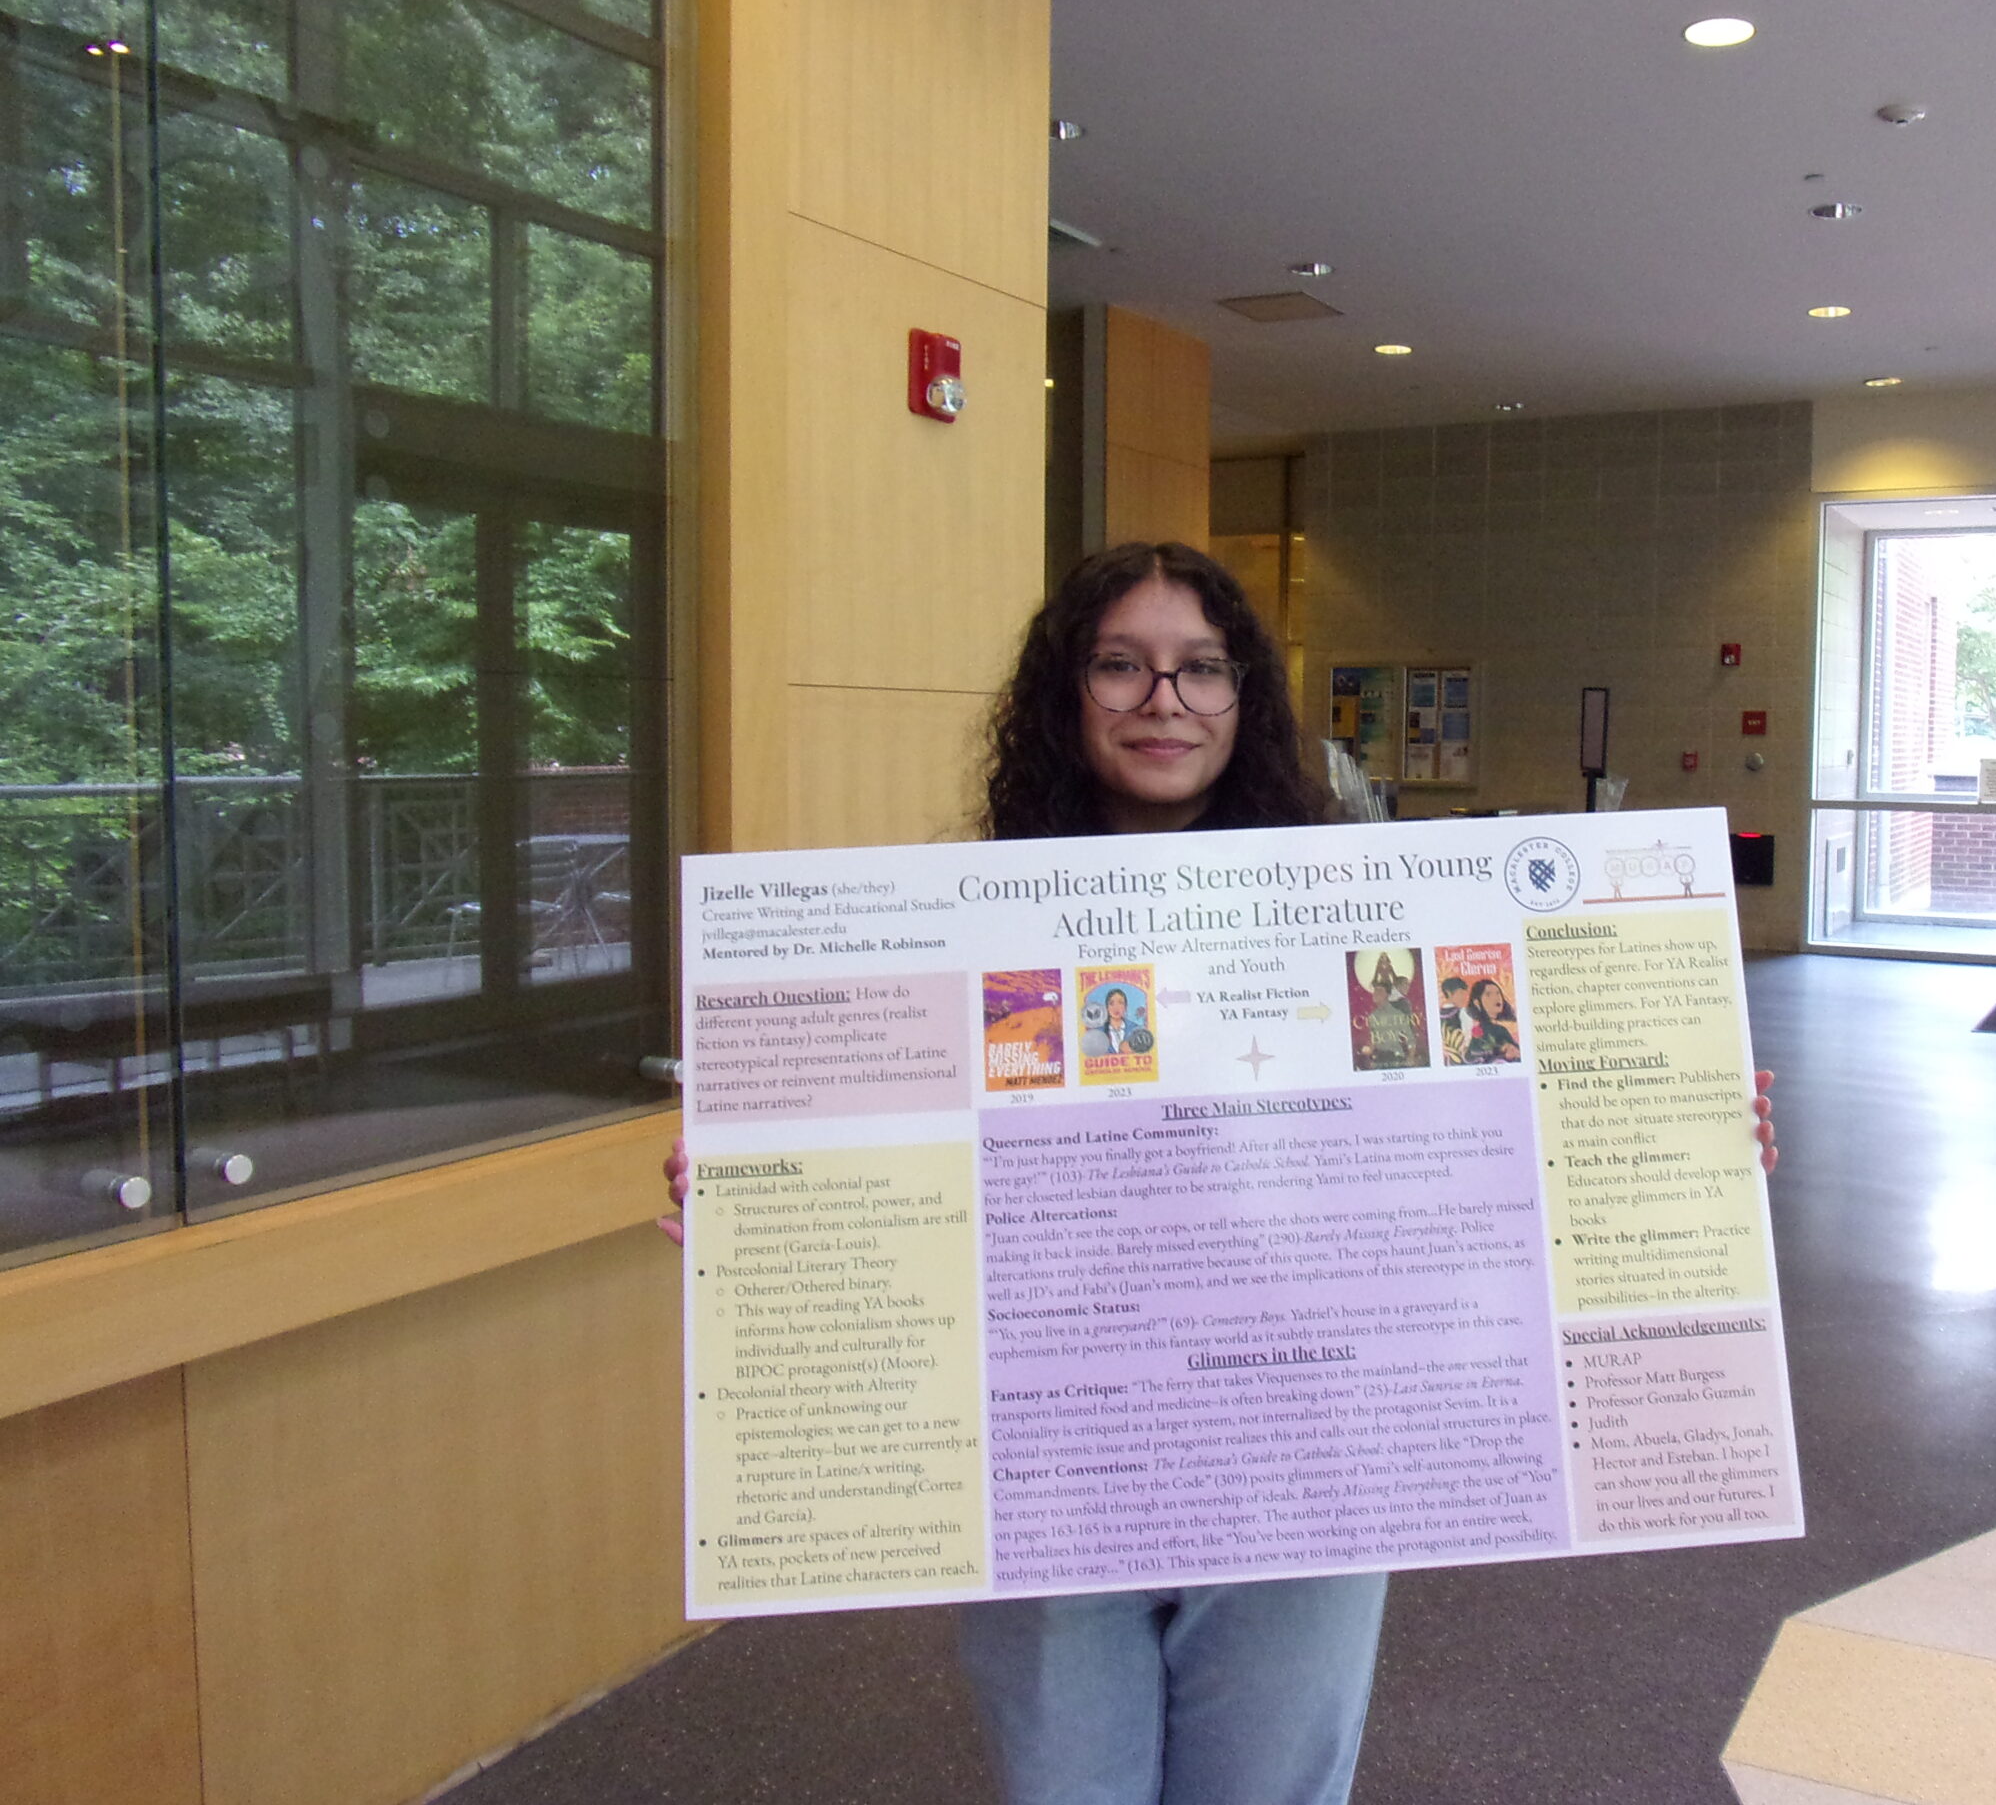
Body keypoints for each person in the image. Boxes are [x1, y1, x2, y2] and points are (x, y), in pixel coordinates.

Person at [661, 541, 1778, 1805]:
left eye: (1200, 670)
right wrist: (763, 1188)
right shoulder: (960, 922)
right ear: (1063, 691)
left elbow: (1488, 1128)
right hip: (1054, 1455)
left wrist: (1681, 1123)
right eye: (1120, 667)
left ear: (1243, 694)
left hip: (1303, 1450)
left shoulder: (1362, 906)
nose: (1163, 702)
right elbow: (889, 1168)